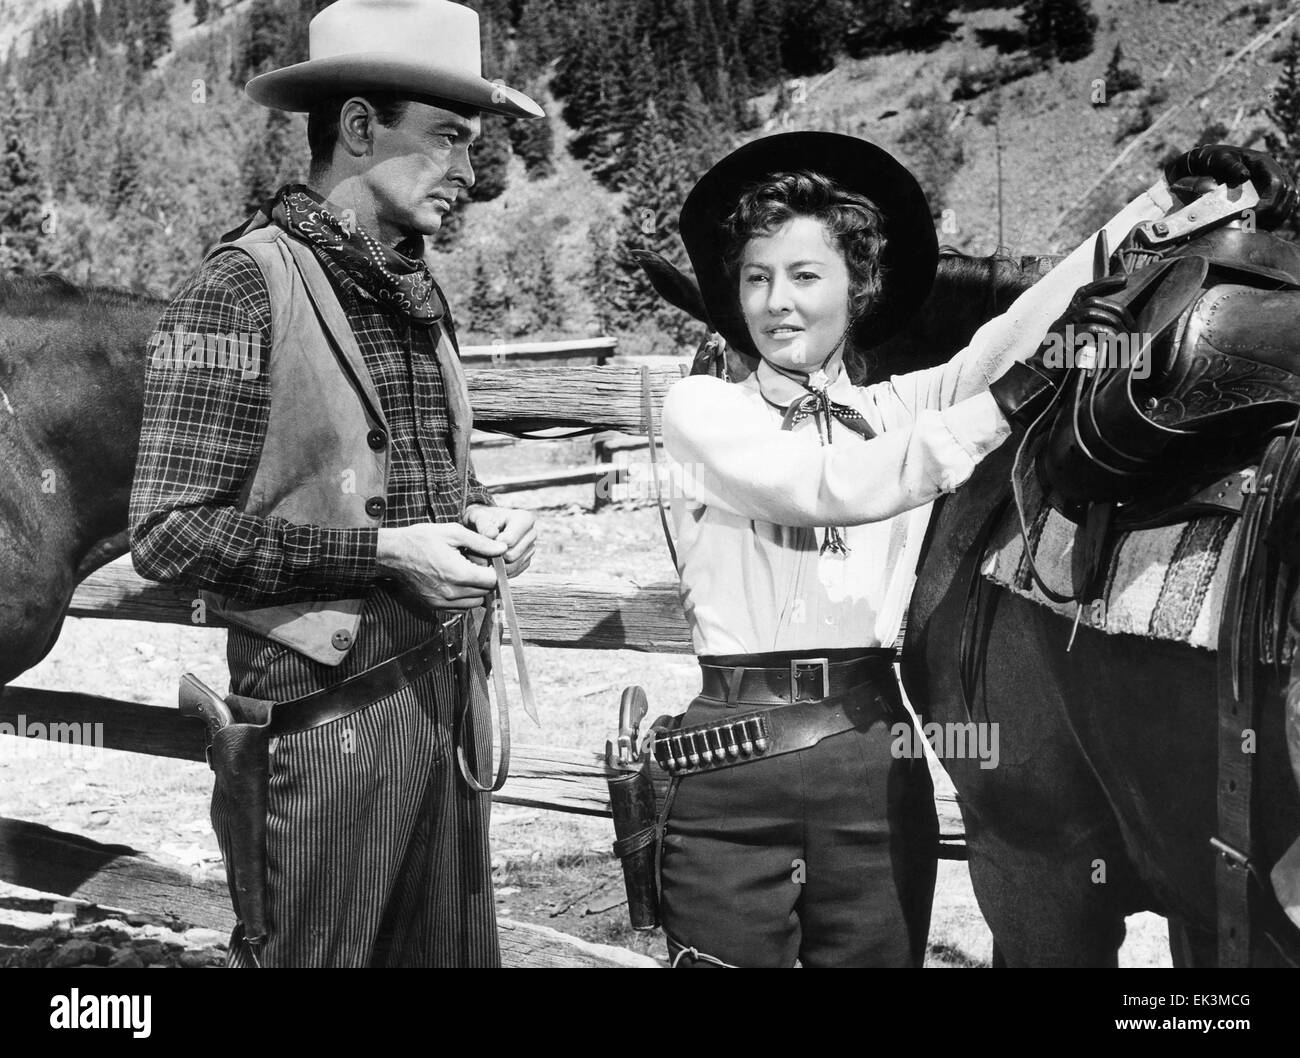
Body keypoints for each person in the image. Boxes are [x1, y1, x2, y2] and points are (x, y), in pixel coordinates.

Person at [655, 132, 1294, 967]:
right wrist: (1015, 395)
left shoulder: (900, 402)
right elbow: (829, 485)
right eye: (757, 278)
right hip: (733, 765)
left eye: (807, 277)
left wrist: (1166, 209)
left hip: (870, 756)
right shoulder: (702, 408)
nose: (779, 303)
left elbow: (1009, 334)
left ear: (858, 290)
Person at [129, 0, 541, 968]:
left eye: (473, 146)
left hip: (444, 696)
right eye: (445, 140)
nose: (469, 175)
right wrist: (387, 552)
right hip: (318, 725)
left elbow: (428, 487)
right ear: (358, 128)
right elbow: (170, 533)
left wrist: (481, 517)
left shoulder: (412, 295)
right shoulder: (236, 286)